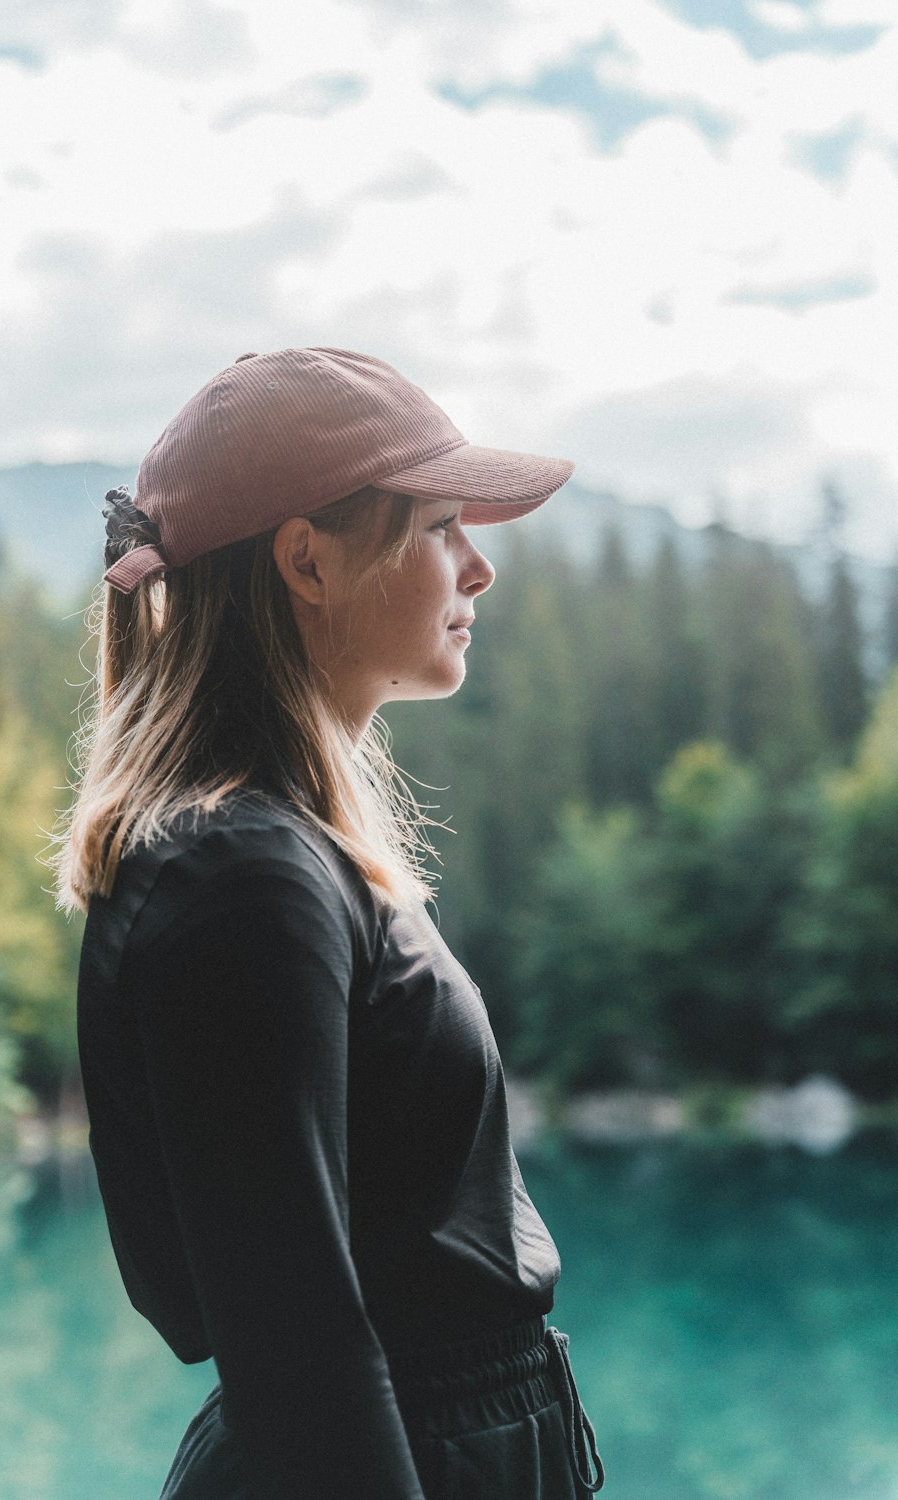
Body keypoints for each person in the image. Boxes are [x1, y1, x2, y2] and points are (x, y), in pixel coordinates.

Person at [59, 347, 605, 1499]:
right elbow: (292, 1354)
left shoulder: (263, 859)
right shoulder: (242, 877)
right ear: (307, 559)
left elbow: (194, 1291)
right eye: (440, 522)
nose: (480, 567)